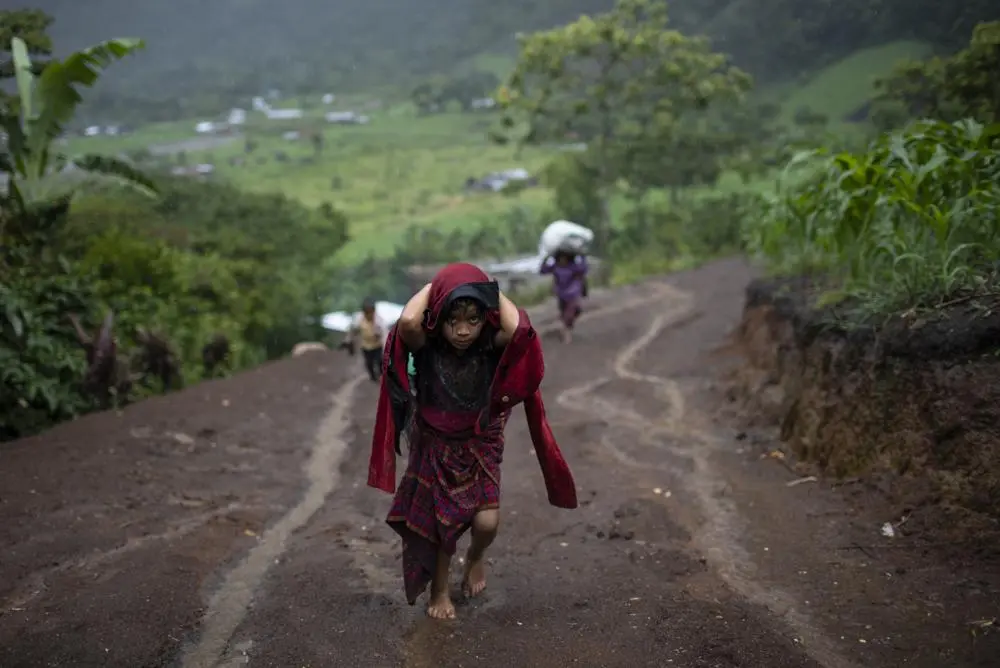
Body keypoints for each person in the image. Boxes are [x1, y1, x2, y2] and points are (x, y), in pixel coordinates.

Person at [368, 262, 578, 620]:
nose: (463, 331)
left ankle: (476, 556)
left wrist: (487, 287)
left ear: (486, 318)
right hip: (436, 444)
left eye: (473, 320)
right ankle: (439, 590)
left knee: (486, 523)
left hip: (480, 444)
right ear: (439, 319)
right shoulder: (427, 346)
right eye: (454, 320)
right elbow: (406, 323)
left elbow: (518, 328)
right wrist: (438, 284)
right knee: (443, 524)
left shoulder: (490, 347)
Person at [540, 250, 589, 343]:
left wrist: (583, 257)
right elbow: (543, 270)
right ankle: (566, 332)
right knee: (564, 314)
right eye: (560, 258)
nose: (562, 260)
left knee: (573, 312)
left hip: (573, 294)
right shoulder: (555, 267)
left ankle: (566, 332)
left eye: (564, 258)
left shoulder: (573, 266)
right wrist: (546, 259)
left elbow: (584, 269)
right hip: (561, 294)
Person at [347, 298, 387, 382]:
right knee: (369, 363)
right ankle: (373, 377)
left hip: (377, 346)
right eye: (366, 312)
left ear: (374, 311)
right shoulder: (359, 319)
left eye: (370, 312)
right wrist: (350, 341)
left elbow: (384, 334)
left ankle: (381, 375)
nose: (368, 315)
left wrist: (384, 344)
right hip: (366, 346)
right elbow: (353, 330)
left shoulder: (378, 320)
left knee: (379, 361)